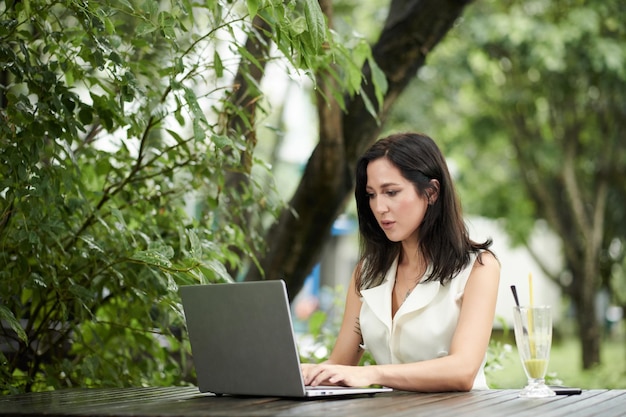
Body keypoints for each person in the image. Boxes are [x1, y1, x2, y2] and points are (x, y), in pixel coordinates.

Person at [301, 132, 500, 392]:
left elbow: (462, 370)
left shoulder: (477, 268)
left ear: (431, 192)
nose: (379, 207)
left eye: (391, 192)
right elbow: (341, 364)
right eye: (371, 195)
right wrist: (305, 372)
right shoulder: (367, 272)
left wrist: (372, 374)